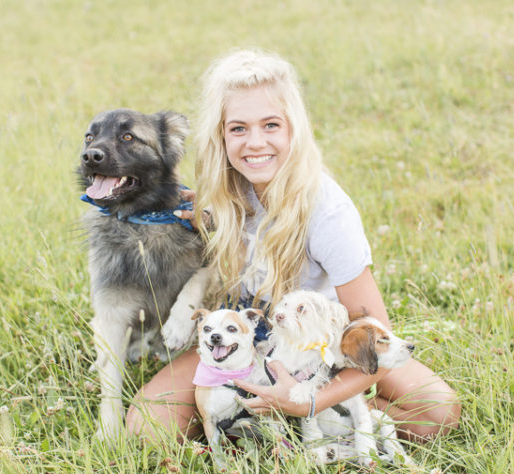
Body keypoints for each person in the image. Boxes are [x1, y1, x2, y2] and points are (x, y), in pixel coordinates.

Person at [125, 48, 460, 442]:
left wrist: (311, 402)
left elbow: (376, 336)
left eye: (271, 125)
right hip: (244, 341)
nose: (255, 143)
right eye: (238, 129)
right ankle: (247, 417)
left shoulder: (328, 212)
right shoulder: (224, 195)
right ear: (221, 135)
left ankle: (325, 417)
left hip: (320, 346)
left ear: (293, 129)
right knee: (148, 428)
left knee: (435, 411)